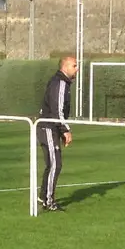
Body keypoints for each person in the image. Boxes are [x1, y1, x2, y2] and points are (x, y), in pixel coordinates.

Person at [37, 56, 79, 212]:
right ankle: (48, 201)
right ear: (65, 67)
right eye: (74, 66)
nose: (77, 69)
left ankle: (43, 196)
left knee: (52, 164)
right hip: (48, 127)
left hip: (50, 127)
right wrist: (65, 130)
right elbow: (57, 111)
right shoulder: (60, 83)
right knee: (55, 164)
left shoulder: (62, 83)